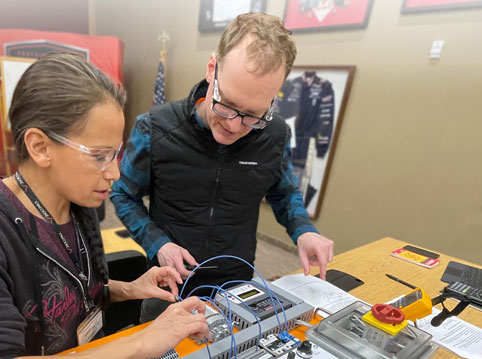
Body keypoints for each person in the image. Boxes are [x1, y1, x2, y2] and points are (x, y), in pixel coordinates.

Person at [0, 54, 210, 359]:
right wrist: (143, 342)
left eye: (116, 154)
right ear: (40, 147)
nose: (114, 173)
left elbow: (69, 295)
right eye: (99, 156)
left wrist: (127, 289)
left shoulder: (77, 202)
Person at [110, 13, 335, 321]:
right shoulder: (155, 128)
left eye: (253, 115)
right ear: (211, 68)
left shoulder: (276, 134)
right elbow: (123, 194)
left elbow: (283, 192)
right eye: (226, 103)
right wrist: (158, 243)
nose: (233, 125)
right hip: (170, 282)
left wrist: (303, 231)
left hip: (238, 283)